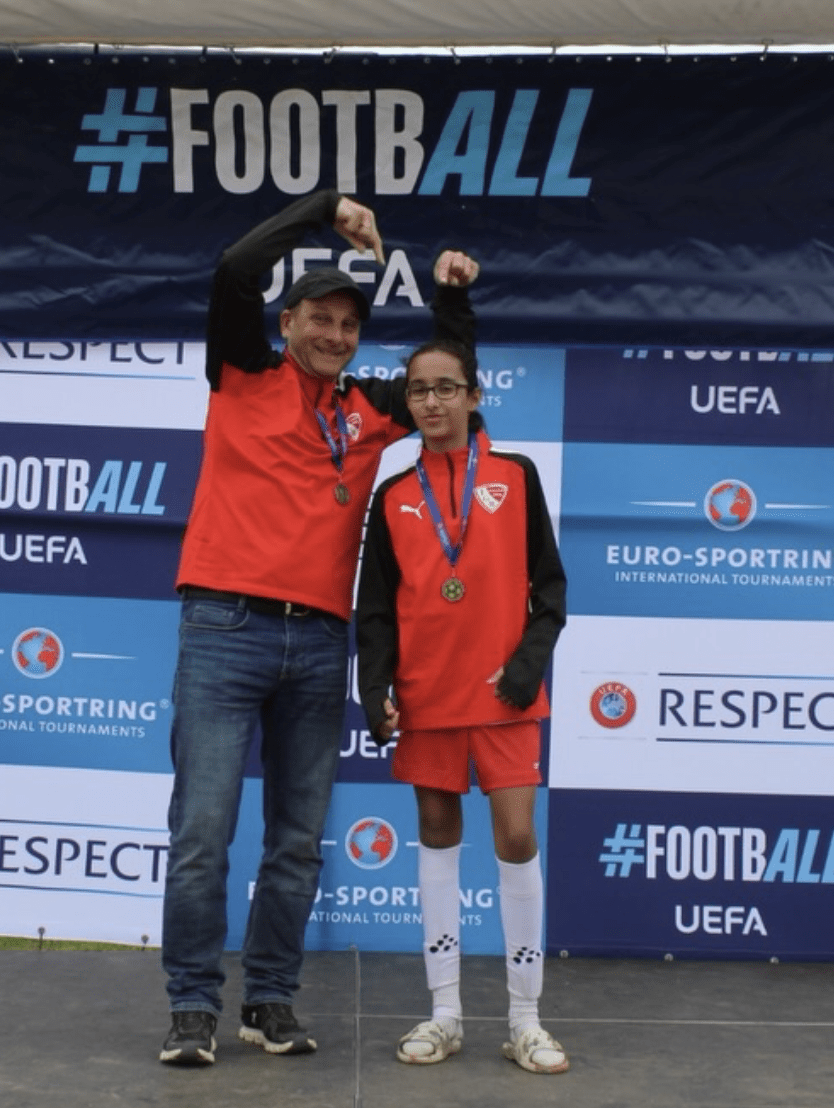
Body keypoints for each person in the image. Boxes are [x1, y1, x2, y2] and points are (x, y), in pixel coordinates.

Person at [160, 186, 480, 1066]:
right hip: (223, 626)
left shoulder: (367, 410)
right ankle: (191, 1007)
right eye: (321, 319)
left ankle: (269, 999)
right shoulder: (240, 370)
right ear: (288, 321)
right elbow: (235, 269)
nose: (336, 335)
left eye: (348, 325)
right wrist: (323, 209)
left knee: (297, 843)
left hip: (318, 640)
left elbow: (449, 382)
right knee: (202, 835)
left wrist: (451, 297)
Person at [355, 335, 570, 1074]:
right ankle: (444, 1012)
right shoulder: (392, 494)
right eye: (419, 389)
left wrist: (528, 665)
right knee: (437, 839)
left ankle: (525, 1019)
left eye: (447, 387)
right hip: (427, 698)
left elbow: (551, 589)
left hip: (506, 696)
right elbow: (376, 610)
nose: (432, 401)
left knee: (516, 836)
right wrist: (374, 687)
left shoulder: (515, 475)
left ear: (474, 397)